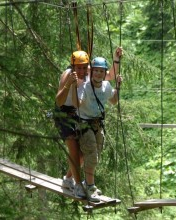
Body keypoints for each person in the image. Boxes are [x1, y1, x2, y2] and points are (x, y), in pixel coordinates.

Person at [54, 48, 122, 199]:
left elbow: (108, 75)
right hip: (64, 113)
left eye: (85, 67)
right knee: (73, 147)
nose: (83, 70)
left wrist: (116, 59)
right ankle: (79, 186)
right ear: (73, 66)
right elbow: (59, 101)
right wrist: (69, 84)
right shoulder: (68, 74)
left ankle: (68, 179)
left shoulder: (87, 71)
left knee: (83, 153)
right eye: (79, 67)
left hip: (77, 113)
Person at [71, 56, 122, 202]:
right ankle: (90, 187)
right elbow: (77, 104)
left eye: (101, 71)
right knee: (92, 155)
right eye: (96, 71)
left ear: (105, 72)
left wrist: (118, 87)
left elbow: (113, 101)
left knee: (95, 155)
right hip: (84, 124)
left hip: (97, 124)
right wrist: (74, 87)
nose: (98, 74)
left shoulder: (106, 86)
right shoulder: (85, 86)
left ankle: (87, 184)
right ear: (91, 72)